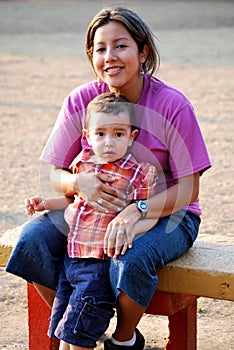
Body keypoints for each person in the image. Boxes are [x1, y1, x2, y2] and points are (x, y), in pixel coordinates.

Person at [6, 6, 211, 350]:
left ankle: (124, 339)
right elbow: (54, 172)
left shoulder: (173, 104)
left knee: (131, 258)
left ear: (143, 51)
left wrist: (138, 209)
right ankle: (86, 319)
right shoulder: (82, 100)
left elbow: (190, 188)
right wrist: (76, 184)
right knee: (32, 242)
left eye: (121, 46)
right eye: (100, 49)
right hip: (90, 209)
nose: (110, 57)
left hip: (169, 211)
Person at [24, 92, 158, 350]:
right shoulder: (82, 167)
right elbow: (74, 203)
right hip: (71, 260)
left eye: (118, 134)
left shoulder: (140, 174)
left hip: (98, 266)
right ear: (87, 137)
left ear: (132, 137)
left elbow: (146, 212)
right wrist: (46, 202)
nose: (109, 142)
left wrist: (131, 232)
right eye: (100, 134)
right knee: (68, 332)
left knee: (78, 338)